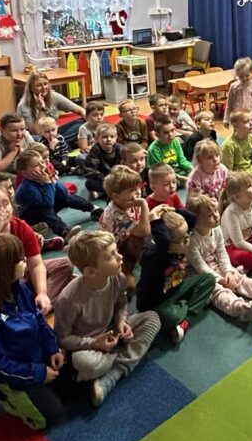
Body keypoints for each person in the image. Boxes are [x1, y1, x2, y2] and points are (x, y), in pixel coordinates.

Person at [0, 233, 68, 430]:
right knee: (49, 417)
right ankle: (2, 395)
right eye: (18, 259)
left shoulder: (19, 288)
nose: (24, 260)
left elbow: (39, 320)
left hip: (35, 357)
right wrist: (37, 373)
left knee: (74, 384)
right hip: (13, 375)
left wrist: (52, 348)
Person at [55, 231, 160, 407]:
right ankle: (122, 358)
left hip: (111, 331)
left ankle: (113, 374)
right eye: (111, 256)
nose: (120, 257)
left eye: (116, 251)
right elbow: (62, 338)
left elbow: (122, 305)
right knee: (84, 363)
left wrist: (121, 321)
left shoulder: (118, 277)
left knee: (152, 318)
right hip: (88, 344)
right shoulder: (69, 300)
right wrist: (94, 344)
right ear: (90, 271)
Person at [0, 185, 74, 314]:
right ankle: (22, 312)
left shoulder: (19, 226)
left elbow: (36, 264)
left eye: (6, 204)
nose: (2, 210)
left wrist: (42, 293)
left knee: (64, 265)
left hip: (18, 276)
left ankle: (36, 307)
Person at [187, 195, 252, 323]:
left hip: (215, 263)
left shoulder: (216, 229)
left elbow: (221, 253)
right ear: (196, 222)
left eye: (215, 211)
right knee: (218, 290)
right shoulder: (192, 241)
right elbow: (201, 267)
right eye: (210, 215)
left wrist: (228, 272)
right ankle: (240, 308)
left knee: (238, 278)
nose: (216, 216)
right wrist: (221, 280)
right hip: (200, 275)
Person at [135, 208, 215, 345]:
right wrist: (154, 220)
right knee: (170, 317)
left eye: (188, 235)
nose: (188, 241)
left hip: (176, 288)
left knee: (209, 279)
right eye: (183, 240)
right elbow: (163, 241)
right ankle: (188, 306)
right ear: (166, 243)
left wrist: (171, 209)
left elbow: (192, 219)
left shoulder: (177, 246)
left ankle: (185, 321)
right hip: (156, 304)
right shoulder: (153, 255)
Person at [14, 150, 100, 240]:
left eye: (42, 162)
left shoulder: (42, 178)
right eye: (36, 165)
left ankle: (93, 208)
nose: (42, 166)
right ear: (25, 173)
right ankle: (64, 232)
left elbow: (64, 193)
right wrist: (48, 183)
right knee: (45, 211)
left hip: (46, 204)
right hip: (32, 217)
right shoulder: (28, 188)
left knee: (66, 198)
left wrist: (53, 181)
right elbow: (48, 204)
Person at [99, 165, 158, 293]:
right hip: (114, 250)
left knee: (157, 229)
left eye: (138, 187)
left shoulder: (129, 202)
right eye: (132, 190)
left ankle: (135, 263)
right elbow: (144, 231)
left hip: (126, 239)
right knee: (129, 285)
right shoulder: (116, 214)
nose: (138, 192)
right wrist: (144, 205)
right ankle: (126, 268)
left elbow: (141, 222)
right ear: (116, 197)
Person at [0, 170, 63, 253]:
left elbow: (17, 226)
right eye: (4, 189)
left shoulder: (13, 214)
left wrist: (31, 236)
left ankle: (35, 244)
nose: (10, 192)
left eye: (10, 187)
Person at [17, 71, 85, 146]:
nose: (43, 88)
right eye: (38, 85)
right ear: (31, 88)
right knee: (37, 141)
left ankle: (58, 144)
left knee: (82, 123)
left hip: (54, 132)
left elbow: (80, 110)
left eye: (45, 84)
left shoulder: (53, 96)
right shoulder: (24, 105)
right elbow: (36, 131)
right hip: (37, 137)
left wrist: (91, 123)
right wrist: (42, 108)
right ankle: (61, 144)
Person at [83, 122, 125, 199]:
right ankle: (114, 191)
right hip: (102, 178)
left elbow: (125, 164)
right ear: (97, 139)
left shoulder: (119, 148)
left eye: (112, 137)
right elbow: (90, 170)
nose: (109, 139)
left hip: (117, 176)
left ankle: (103, 193)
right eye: (105, 137)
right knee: (89, 183)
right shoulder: (95, 150)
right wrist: (104, 178)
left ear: (116, 138)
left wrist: (118, 175)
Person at [146, 116, 192, 186]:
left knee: (192, 172)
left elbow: (182, 160)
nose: (170, 135)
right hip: (160, 174)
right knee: (170, 182)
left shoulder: (175, 141)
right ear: (157, 134)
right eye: (166, 132)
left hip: (173, 169)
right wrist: (180, 178)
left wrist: (191, 168)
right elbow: (161, 171)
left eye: (172, 130)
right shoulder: (154, 149)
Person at [224, 57, 252, 134]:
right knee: (238, 138)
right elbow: (229, 104)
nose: (244, 78)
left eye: (247, 75)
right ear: (236, 75)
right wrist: (226, 118)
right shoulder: (233, 87)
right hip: (238, 119)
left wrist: (251, 113)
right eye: (241, 76)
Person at [186, 139, 229, 209]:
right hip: (203, 206)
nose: (215, 159)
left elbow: (226, 188)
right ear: (199, 160)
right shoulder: (195, 176)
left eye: (217, 155)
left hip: (220, 202)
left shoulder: (223, 169)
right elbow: (196, 200)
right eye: (210, 157)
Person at [220, 110, 252, 175]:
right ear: (235, 126)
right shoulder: (228, 145)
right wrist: (243, 176)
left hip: (250, 174)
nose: (251, 123)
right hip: (236, 177)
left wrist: (247, 174)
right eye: (246, 121)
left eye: (251, 120)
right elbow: (228, 171)